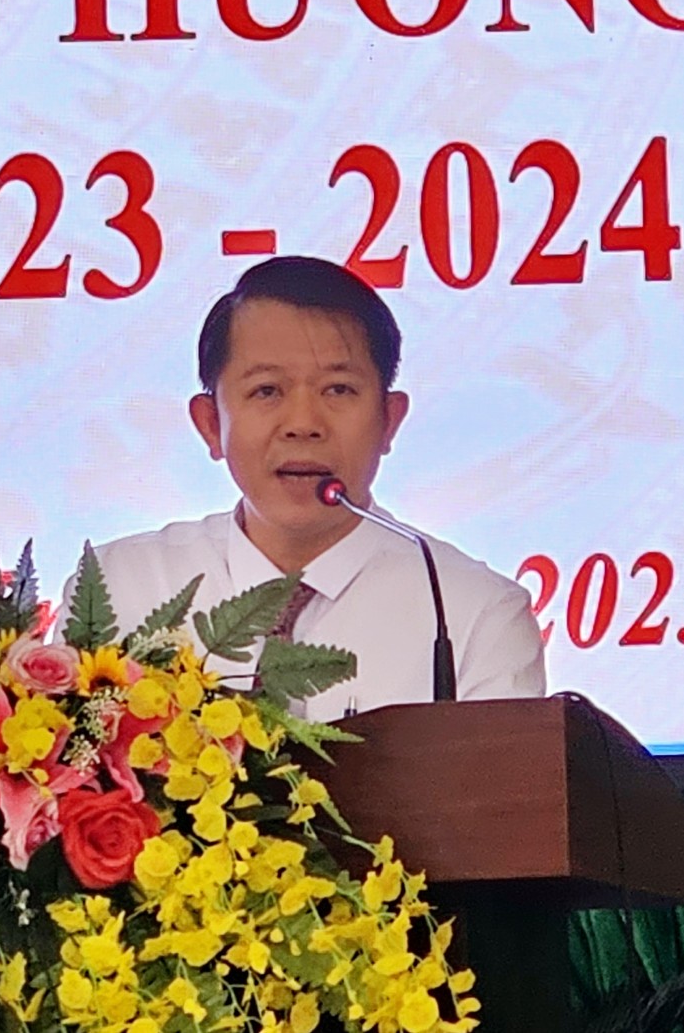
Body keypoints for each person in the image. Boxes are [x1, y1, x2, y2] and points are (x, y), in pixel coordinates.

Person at [83, 255, 544, 719]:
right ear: (210, 425)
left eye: (338, 390)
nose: (303, 424)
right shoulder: (123, 586)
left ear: (389, 421)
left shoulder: (477, 616)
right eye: (267, 390)